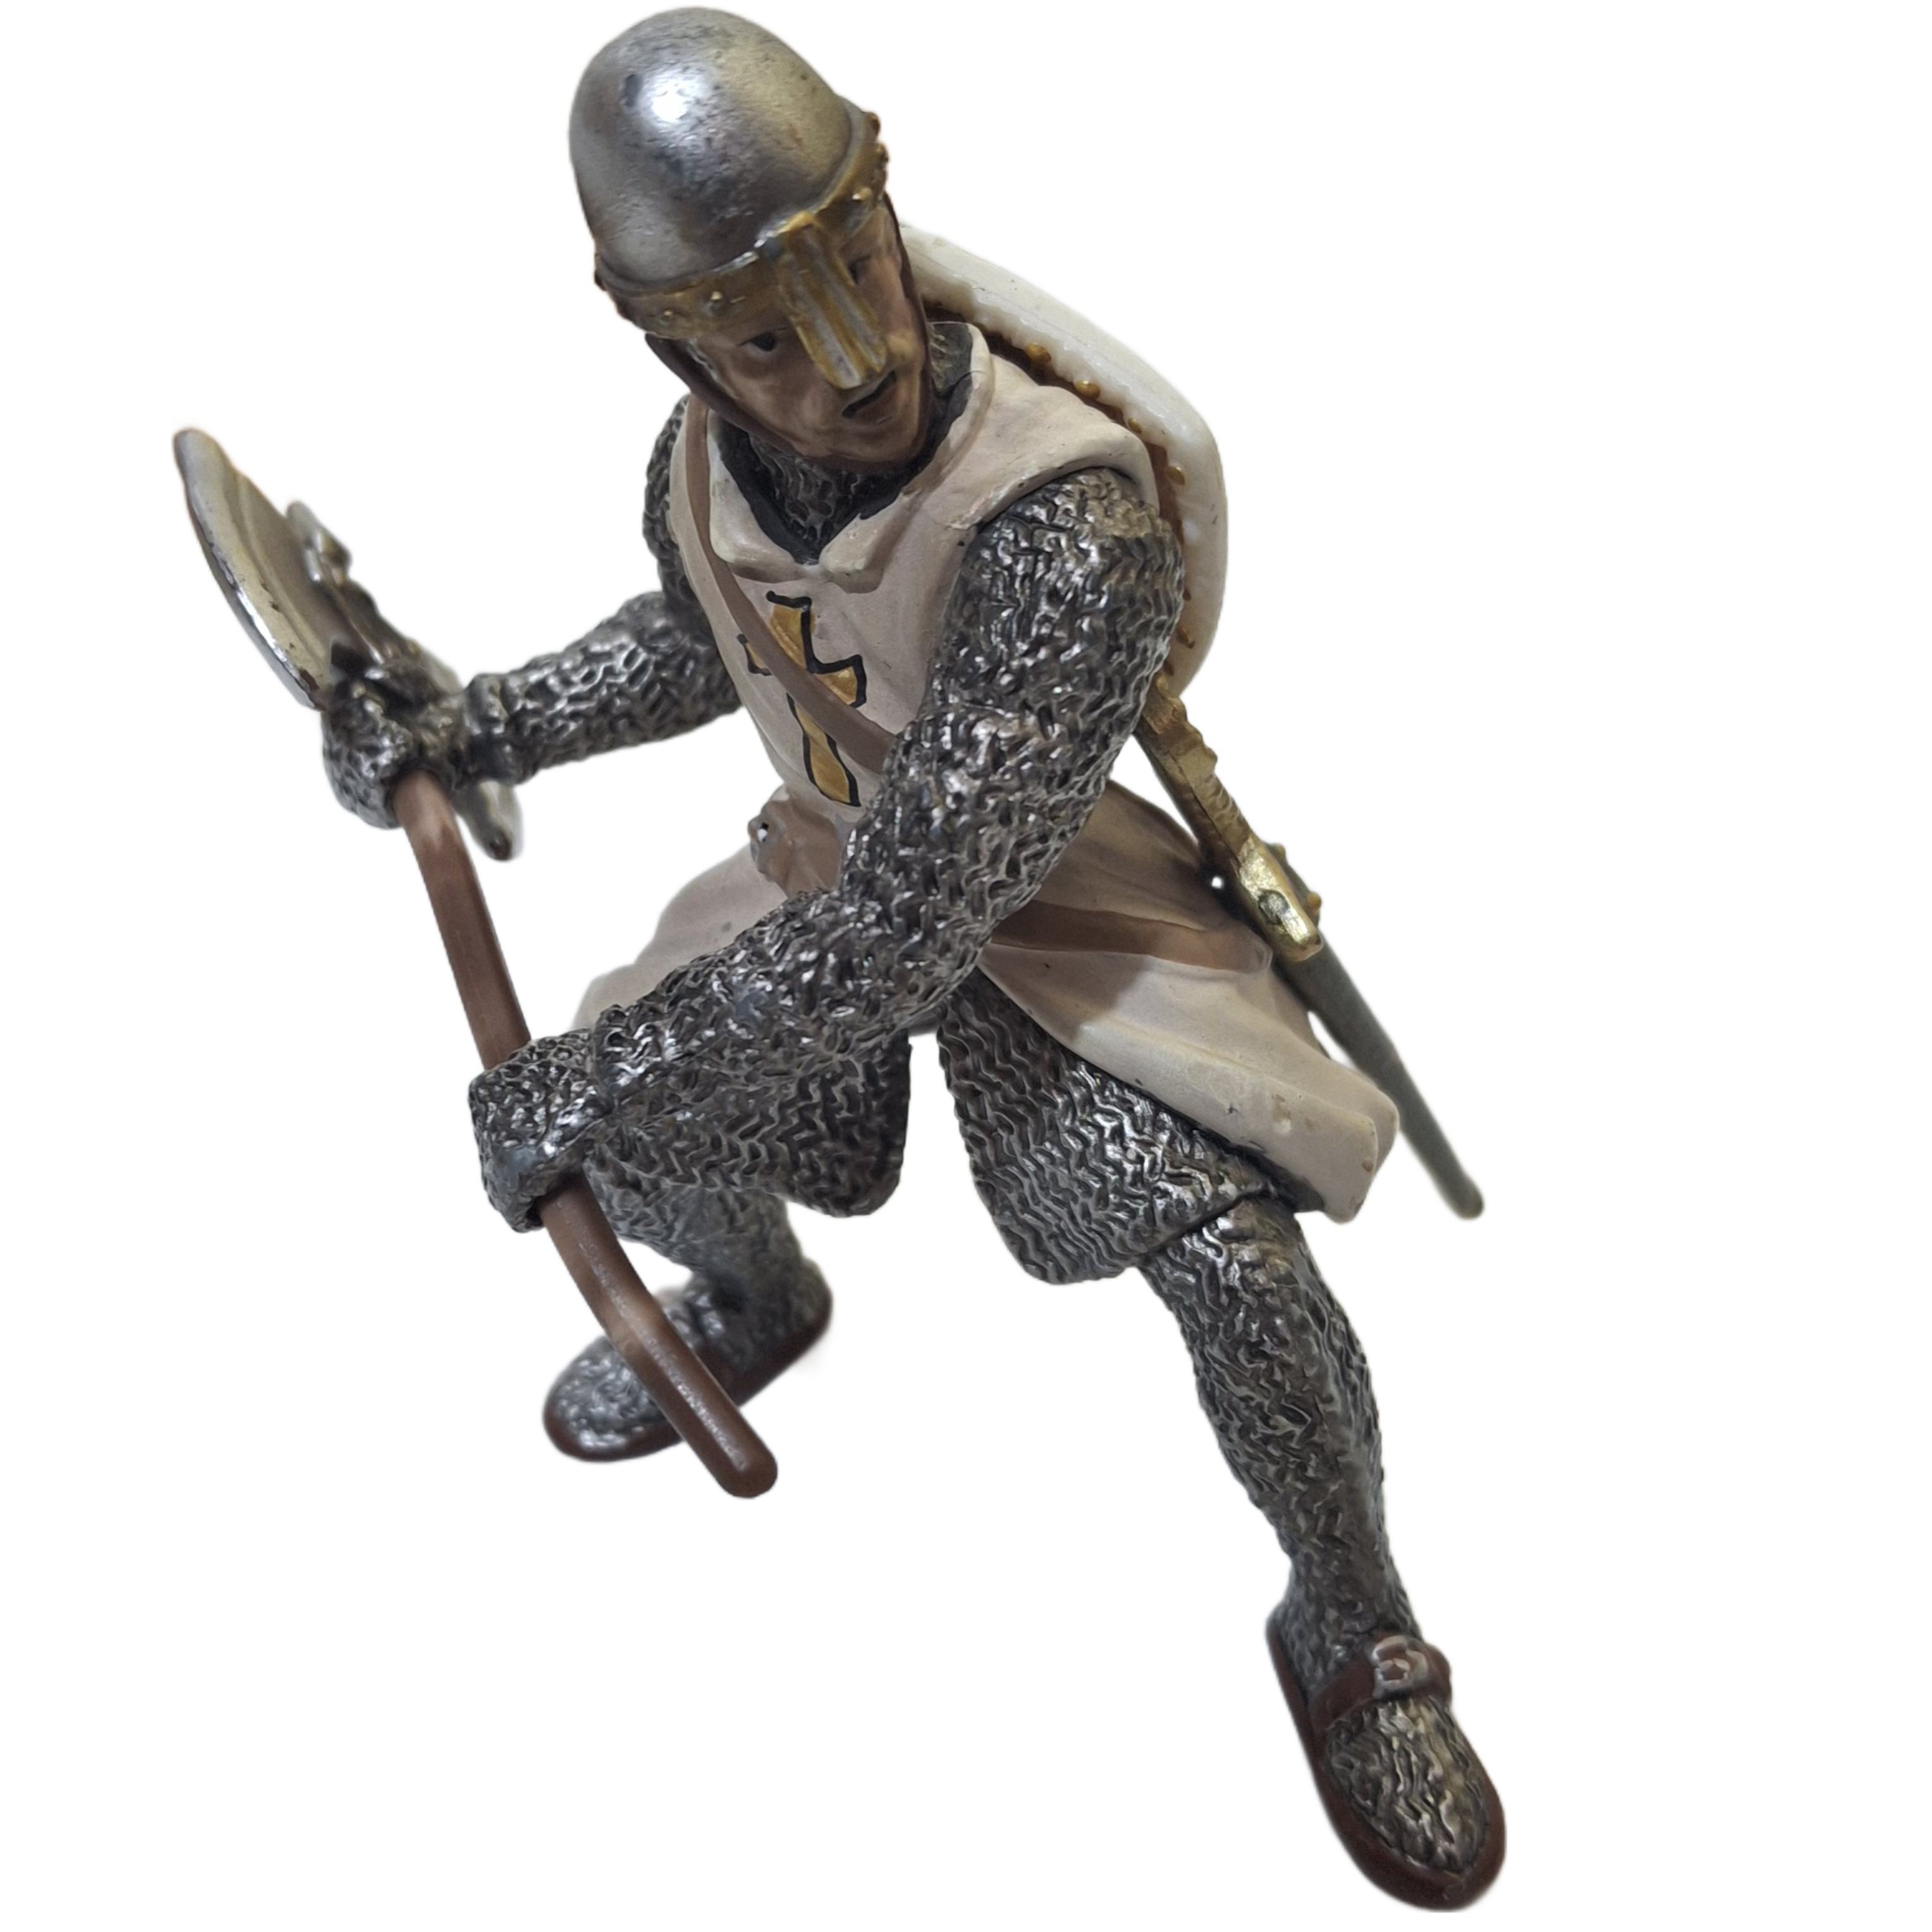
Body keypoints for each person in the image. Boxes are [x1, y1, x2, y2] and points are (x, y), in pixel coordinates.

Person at [321, 10, 1503, 1907]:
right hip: (832, 878)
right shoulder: (701, 458)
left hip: (1048, 916)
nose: (854, 363)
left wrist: (595, 1071)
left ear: (885, 203)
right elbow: (707, 635)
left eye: (857, 271)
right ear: (675, 341)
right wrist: (485, 727)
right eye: (767, 340)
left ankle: (1357, 1624)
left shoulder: (1064, 526)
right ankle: (753, 1297)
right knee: (635, 1125)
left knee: (1233, 1266)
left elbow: (918, 916)